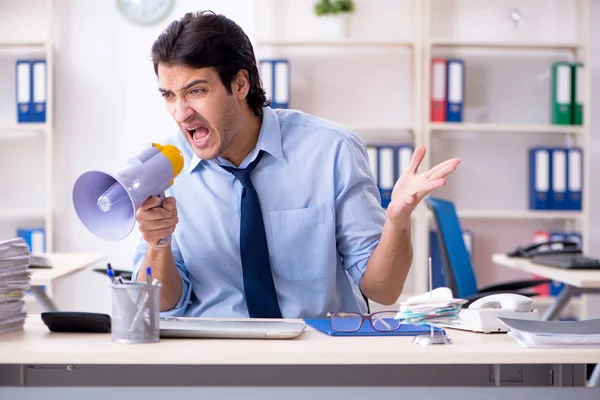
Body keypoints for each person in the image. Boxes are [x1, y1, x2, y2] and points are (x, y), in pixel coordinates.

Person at [132, 10, 459, 319]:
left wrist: (397, 222)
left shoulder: (331, 151)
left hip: (318, 355)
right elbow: (161, 307)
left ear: (240, 85)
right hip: (214, 357)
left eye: (196, 91)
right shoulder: (165, 167)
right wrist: (157, 245)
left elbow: (383, 290)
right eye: (169, 96)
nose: (180, 113)